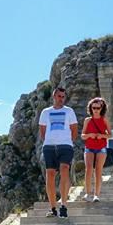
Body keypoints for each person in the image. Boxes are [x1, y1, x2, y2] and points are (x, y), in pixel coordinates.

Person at [39, 86, 78, 218]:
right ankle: (52, 207)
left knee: (64, 169)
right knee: (50, 174)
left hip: (65, 145)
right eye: (59, 96)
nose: (61, 99)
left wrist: (68, 141)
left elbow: (74, 129)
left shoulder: (69, 111)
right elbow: (42, 131)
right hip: (49, 146)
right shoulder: (45, 112)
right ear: (54, 96)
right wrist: (50, 140)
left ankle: (64, 205)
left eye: (63, 97)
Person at [82, 97, 111, 202]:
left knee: (98, 171)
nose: (96, 110)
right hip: (89, 147)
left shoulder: (104, 120)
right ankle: (87, 193)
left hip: (101, 148)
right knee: (88, 169)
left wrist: (101, 135)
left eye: (98, 108)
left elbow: (110, 135)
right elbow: (83, 135)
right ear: (90, 108)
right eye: (93, 107)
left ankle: (96, 195)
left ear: (102, 108)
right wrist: (89, 135)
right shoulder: (87, 120)